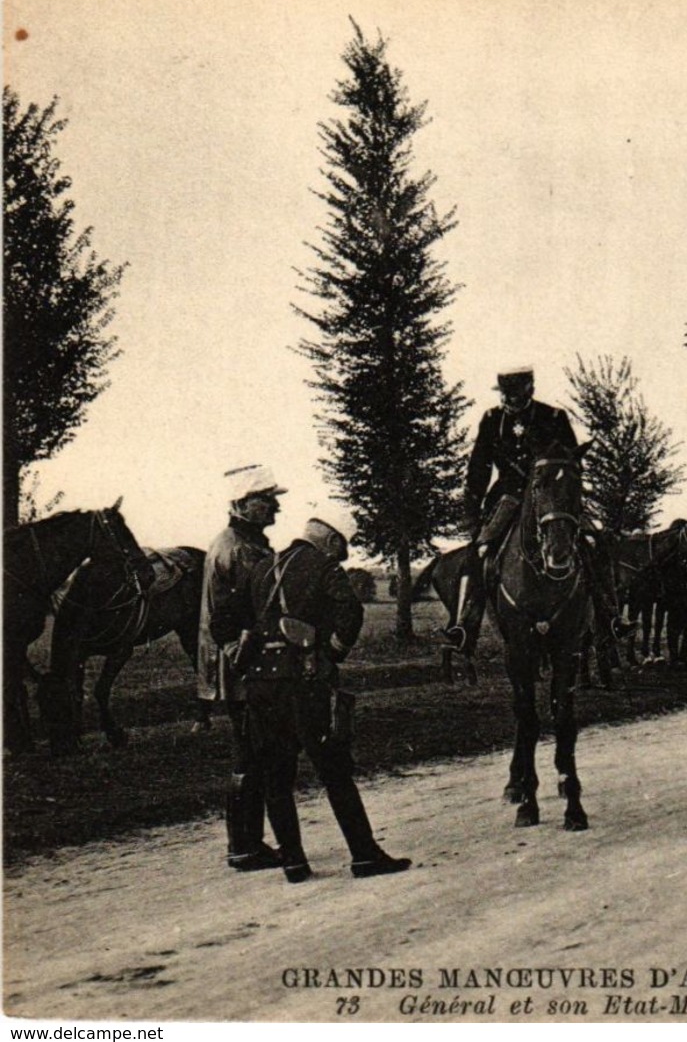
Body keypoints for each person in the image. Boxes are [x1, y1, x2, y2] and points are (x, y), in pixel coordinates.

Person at [238, 519, 411, 881]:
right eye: (342, 548)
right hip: (304, 680)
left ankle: (294, 862)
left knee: (275, 774)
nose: (342, 558)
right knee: (334, 769)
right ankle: (364, 855)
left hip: (260, 682)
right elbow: (351, 612)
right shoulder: (323, 566)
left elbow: (242, 619)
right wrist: (331, 652)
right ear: (331, 541)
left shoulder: (261, 567)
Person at [444, 367, 628, 667]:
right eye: (506, 396)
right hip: (507, 497)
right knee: (477, 552)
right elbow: (479, 467)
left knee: (595, 544)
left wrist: (571, 498)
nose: (511, 402)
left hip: (553, 498)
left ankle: (611, 618)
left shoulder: (553, 417)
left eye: (517, 396)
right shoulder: (492, 420)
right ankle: (466, 624)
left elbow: (571, 461)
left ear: (530, 391)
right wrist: (474, 514)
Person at [200, 465, 285, 873]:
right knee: (252, 753)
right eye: (267, 501)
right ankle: (246, 846)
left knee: (250, 750)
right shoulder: (244, 549)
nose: (276, 508)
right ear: (243, 504)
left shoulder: (232, 541)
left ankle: (246, 844)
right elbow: (260, 609)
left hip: (230, 663)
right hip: (244, 665)